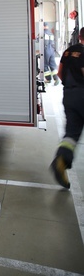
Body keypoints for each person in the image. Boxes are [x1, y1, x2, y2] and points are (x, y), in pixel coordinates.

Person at [50, 26, 84, 189]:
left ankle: (61, 159)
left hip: (69, 96)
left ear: (79, 36)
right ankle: (62, 160)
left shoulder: (68, 51)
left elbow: (60, 73)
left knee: (71, 134)